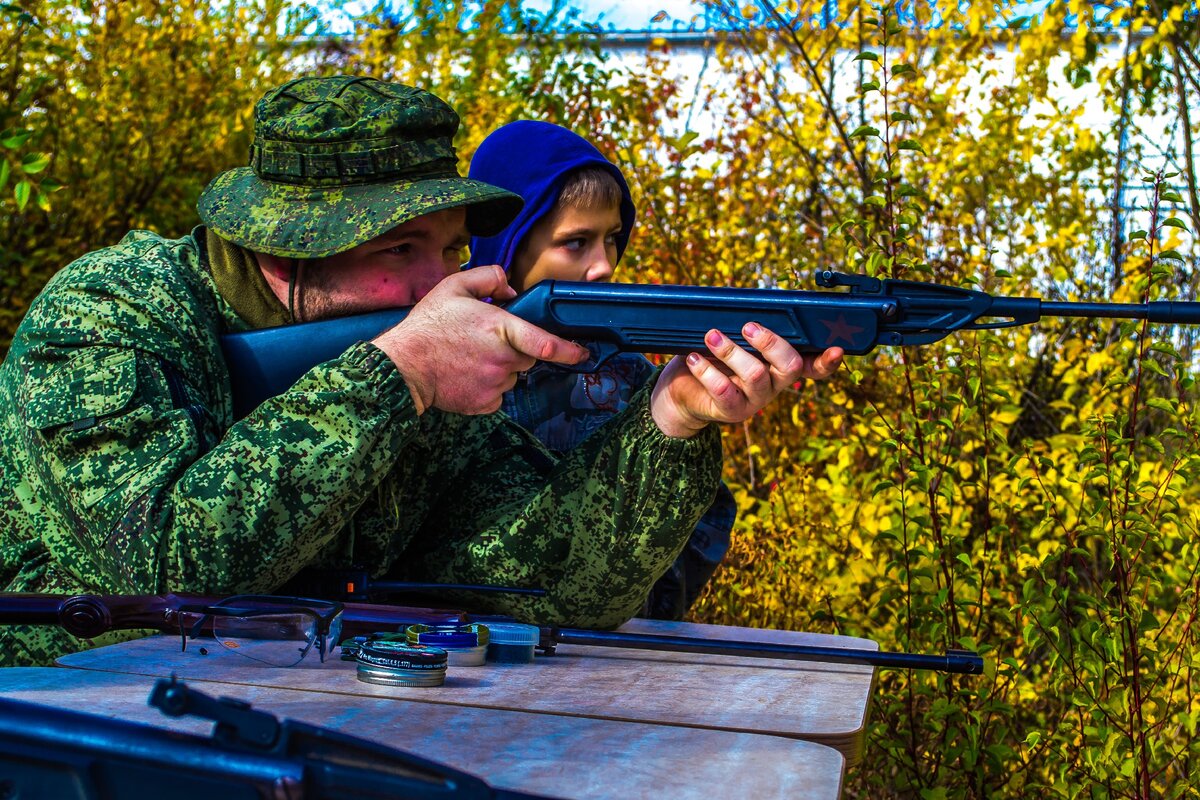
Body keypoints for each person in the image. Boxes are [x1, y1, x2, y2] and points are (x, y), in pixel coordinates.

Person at [0, 76, 842, 667]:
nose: (434, 283)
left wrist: (672, 419)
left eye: (448, 248)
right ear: (285, 251)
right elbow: (162, 570)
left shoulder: (427, 346)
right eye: (400, 249)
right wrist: (393, 374)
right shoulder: (108, 316)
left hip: (313, 714)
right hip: (66, 722)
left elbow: (543, 582)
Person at [467, 120, 735, 619]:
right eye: (575, 242)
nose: (604, 265)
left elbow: (703, 523)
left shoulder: (631, 378)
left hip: (610, 658)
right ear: (508, 246)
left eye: (611, 238)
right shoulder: (452, 374)